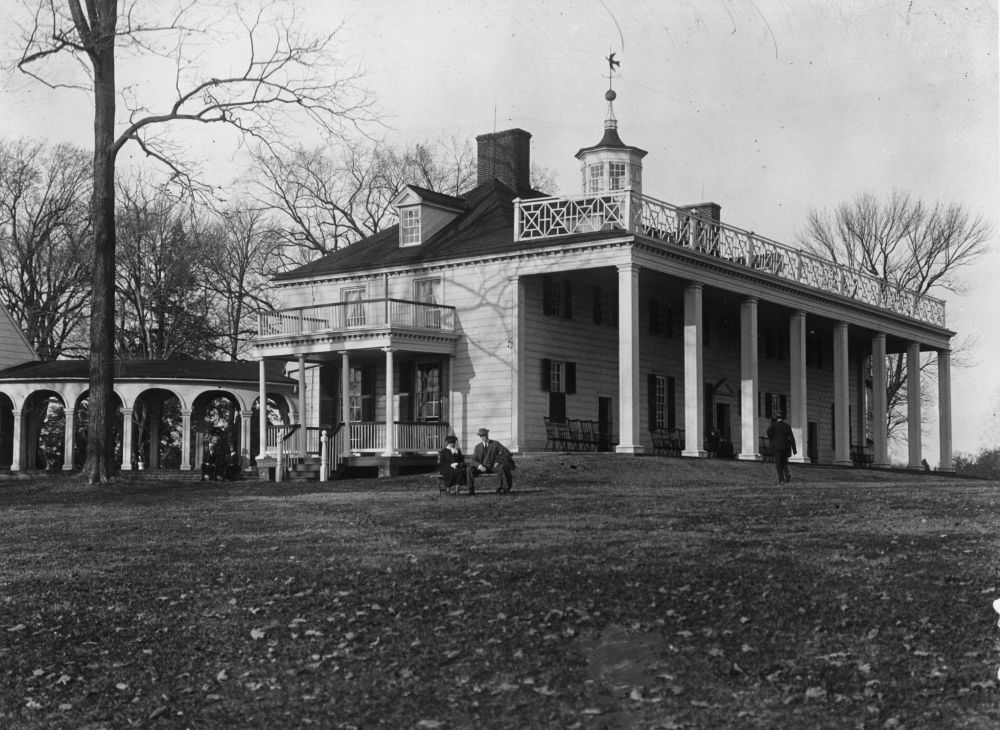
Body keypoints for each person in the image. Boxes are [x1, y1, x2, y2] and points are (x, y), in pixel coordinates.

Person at [466, 427, 515, 494]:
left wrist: (498, 461)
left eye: (485, 435)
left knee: (502, 467)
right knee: (469, 469)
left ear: (488, 435)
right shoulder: (477, 447)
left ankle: (505, 489)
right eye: (482, 436)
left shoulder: (495, 444)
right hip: (481, 468)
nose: (484, 437)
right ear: (480, 437)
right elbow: (473, 460)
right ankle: (471, 490)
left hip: (493, 467)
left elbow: (507, 453)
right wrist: (479, 466)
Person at [766, 412, 797, 485]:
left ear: (776, 418)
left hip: (777, 447)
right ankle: (787, 474)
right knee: (784, 462)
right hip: (785, 447)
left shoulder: (774, 425)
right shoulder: (787, 426)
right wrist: (794, 449)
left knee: (778, 464)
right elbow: (792, 438)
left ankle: (781, 479)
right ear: (783, 418)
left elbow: (768, 431)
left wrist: (772, 439)